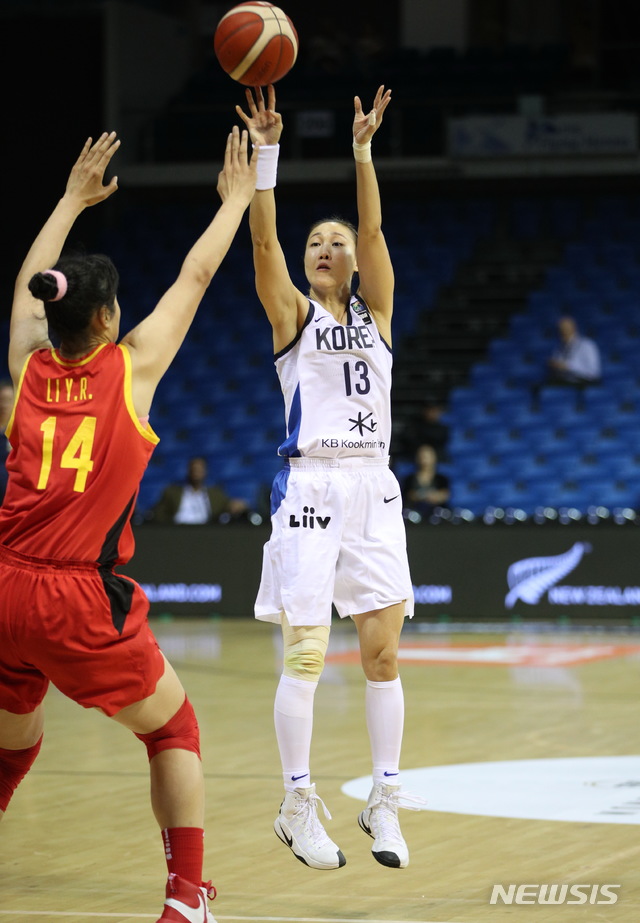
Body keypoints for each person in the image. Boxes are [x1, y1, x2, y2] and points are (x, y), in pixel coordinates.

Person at [0, 128, 256, 923]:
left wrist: (72, 199)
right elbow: (199, 272)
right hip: (76, 593)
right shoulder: (132, 367)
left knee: (13, 742)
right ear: (109, 318)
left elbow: (22, 289)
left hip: (4, 583)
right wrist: (240, 200)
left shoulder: (29, 369)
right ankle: (186, 899)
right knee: (172, 724)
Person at [236, 84, 420, 872]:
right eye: (318, 240)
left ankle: (384, 797)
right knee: (307, 654)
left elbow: (374, 226)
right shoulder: (293, 319)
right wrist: (268, 156)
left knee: (383, 654)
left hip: (374, 486)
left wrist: (362, 152)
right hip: (310, 488)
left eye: (336, 240)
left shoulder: (375, 317)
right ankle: (297, 799)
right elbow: (264, 248)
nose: (327, 247)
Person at [151, 455, 248, 524]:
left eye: (199, 469)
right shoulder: (172, 492)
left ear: (205, 472)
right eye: (194, 469)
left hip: (205, 533)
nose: (196, 472)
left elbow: (228, 506)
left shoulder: (215, 494)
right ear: (188, 471)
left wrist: (238, 505)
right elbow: (159, 512)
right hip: (177, 531)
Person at [532, 315, 601, 409]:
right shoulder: (559, 348)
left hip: (582, 383)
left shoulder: (587, 345)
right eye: (560, 329)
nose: (562, 331)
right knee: (537, 386)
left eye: (565, 328)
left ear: (573, 328)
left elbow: (594, 372)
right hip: (563, 381)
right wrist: (554, 365)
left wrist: (568, 366)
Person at [401, 444, 450, 519]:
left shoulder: (442, 479)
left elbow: (444, 495)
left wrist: (434, 497)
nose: (424, 460)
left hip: (438, 515)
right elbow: (408, 495)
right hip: (414, 515)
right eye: (422, 456)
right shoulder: (409, 479)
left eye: (427, 457)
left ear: (434, 458)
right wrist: (424, 496)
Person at [0, 378, 14, 505]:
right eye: (1, 400)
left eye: (8, 400)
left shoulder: (20, 433)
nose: (3, 405)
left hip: (11, 498)